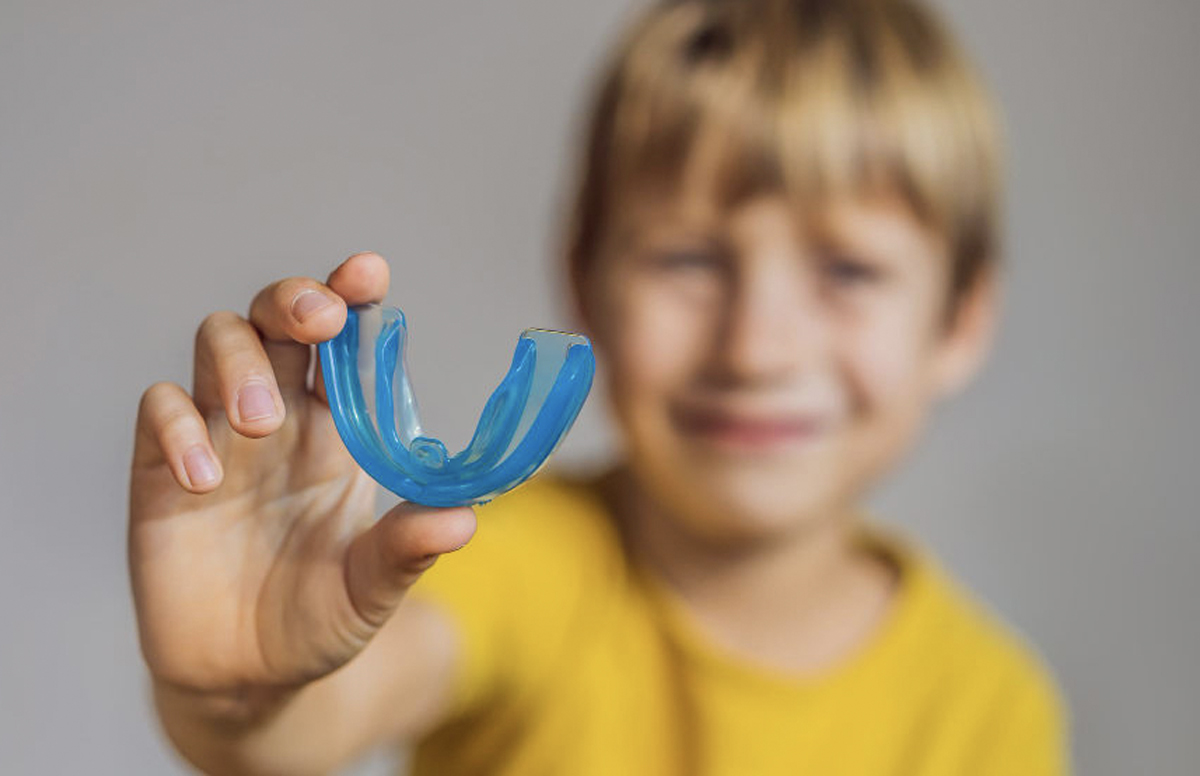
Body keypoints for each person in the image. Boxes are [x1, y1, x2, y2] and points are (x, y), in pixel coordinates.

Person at [128, 0, 1069, 773]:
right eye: (689, 259)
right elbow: (341, 699)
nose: (757, 349)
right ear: (585, 283)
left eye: (850, 273)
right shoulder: (514, 563)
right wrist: (242, 697)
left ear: (960, 319)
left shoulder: (992, 711)